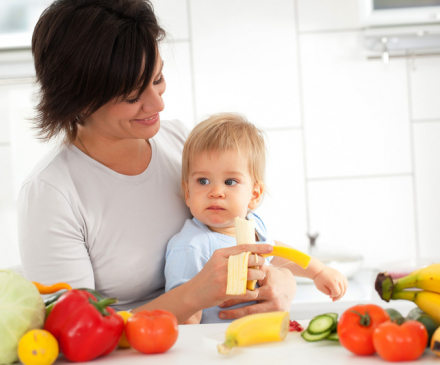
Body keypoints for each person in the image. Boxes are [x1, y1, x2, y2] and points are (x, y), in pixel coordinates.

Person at [17, 0, 297, 324]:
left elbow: (243, 236)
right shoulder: (52, 194)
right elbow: (73, 331)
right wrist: (192, 295)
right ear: (77, 100)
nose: (157, 103)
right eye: (133, 96)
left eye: (158, 78)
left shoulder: (180, 143)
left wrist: (283, 282)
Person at [165, 113, 348, 324]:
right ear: (187, 193)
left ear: (254, 194)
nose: (216, 192)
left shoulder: (254, 225)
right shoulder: (191, 247)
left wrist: (318, 271)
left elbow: (274, 251)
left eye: (230, 181)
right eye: (203, 180)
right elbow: (183, 317)